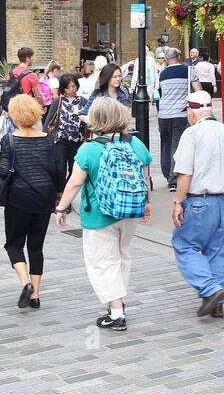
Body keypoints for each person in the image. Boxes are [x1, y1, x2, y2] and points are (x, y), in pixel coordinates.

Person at [53, 98, 152, 331]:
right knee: (122, 255)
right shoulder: (136, 144)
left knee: (103, 261)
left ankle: (116, 312)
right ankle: (118, 300)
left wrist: (61, 208)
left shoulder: (89, 149)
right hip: (131, 211)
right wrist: (147, 203)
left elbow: (75, 182)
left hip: (100, 214)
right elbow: (145, 177)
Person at [171, 90, 224, 319]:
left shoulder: (192, 134)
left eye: (187, 111)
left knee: (185, 246)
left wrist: (177, 203)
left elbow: (184, 174)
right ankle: (217, 304)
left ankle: (210, 289)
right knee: (216, 253)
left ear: (191, 111)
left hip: (199, 202)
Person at [0, 94, 65, 311]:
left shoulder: (9, 140)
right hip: (44, 197)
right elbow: (58, 170)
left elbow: (3, 170)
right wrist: (58, 194)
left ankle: (25, 282)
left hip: (18, 198)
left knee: (14, 244)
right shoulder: (48, 139)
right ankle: (35, 294)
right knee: (36, 247)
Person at [157, 48, 191, 192]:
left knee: (165, 145)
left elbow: (161, 93)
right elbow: (198, 89)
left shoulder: (163, 74)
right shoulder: (188, 70)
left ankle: (167, 174)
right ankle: (173, 180)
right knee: (176, 145)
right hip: (179, 114)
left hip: (163, 114)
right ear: (178, 56)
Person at [49, 73, 87, 179]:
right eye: (69, 87)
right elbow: (48, 122)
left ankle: (68, 188)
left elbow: (88, 121)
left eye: (74, 86)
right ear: (63, 88)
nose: (72, 89)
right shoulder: (58, 102)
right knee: (60, 167)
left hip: (77, 139)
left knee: (74, 168)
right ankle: (60, 190)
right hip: (60, 139)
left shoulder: (83, 101)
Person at [81, 63, 130, 127]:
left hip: (118, 132)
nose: (118, 79)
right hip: (101, 133)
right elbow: (82, 114)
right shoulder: (98, 95)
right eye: (114, 77)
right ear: (107, 77)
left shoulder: (123, 94)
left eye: (119, 76)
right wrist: (97, 124)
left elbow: (125, 117)